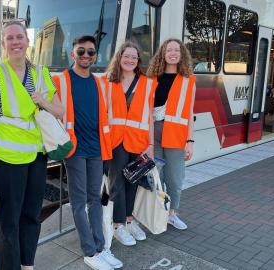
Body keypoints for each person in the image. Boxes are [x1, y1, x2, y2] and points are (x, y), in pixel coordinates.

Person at [0, 20, 64, 270]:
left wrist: (43, 102)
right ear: (3, 44)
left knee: (31, 217)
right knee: (8, 223)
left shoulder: (41, 74)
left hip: (36, 158)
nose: (15, 42)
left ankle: (27, 265)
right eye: (9, 38)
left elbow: (61, 110)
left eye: (19, 37)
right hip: (6, 161)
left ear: (28, 42)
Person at [52, 35, 122, 270]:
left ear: (96, 56)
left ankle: (101, 248)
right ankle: (89, 251)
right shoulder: (60, 80)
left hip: (96, 148)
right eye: (80, 51)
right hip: (74, 149)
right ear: (73, 54)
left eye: (90, 52)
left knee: (95, 200)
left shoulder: (100, 82)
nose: (85, 56)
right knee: (79, 201)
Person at [104, 41, 156, 246]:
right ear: (119, 58)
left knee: (133, 182)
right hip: (116, 140)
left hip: (139, 140)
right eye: (126, 56)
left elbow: (150, 116)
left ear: (138, 61)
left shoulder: (148, 83)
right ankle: (118, 226)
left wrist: (151, 145)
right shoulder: (108, 82)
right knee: (116, 183)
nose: (130, 60)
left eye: (134, 57)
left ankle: (129, 220)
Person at [147, 38, 196, 230]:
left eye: (177, 50)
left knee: (175, 179)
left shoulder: (189, 79)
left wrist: (190, 140)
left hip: (177, 135)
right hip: (154, 134)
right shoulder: (151, 78)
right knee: (154, 177)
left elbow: (190, 112)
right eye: (169, 50)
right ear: (163, 54)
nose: (173, 53)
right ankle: (155, 213)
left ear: (182, 54)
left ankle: (172, 214)